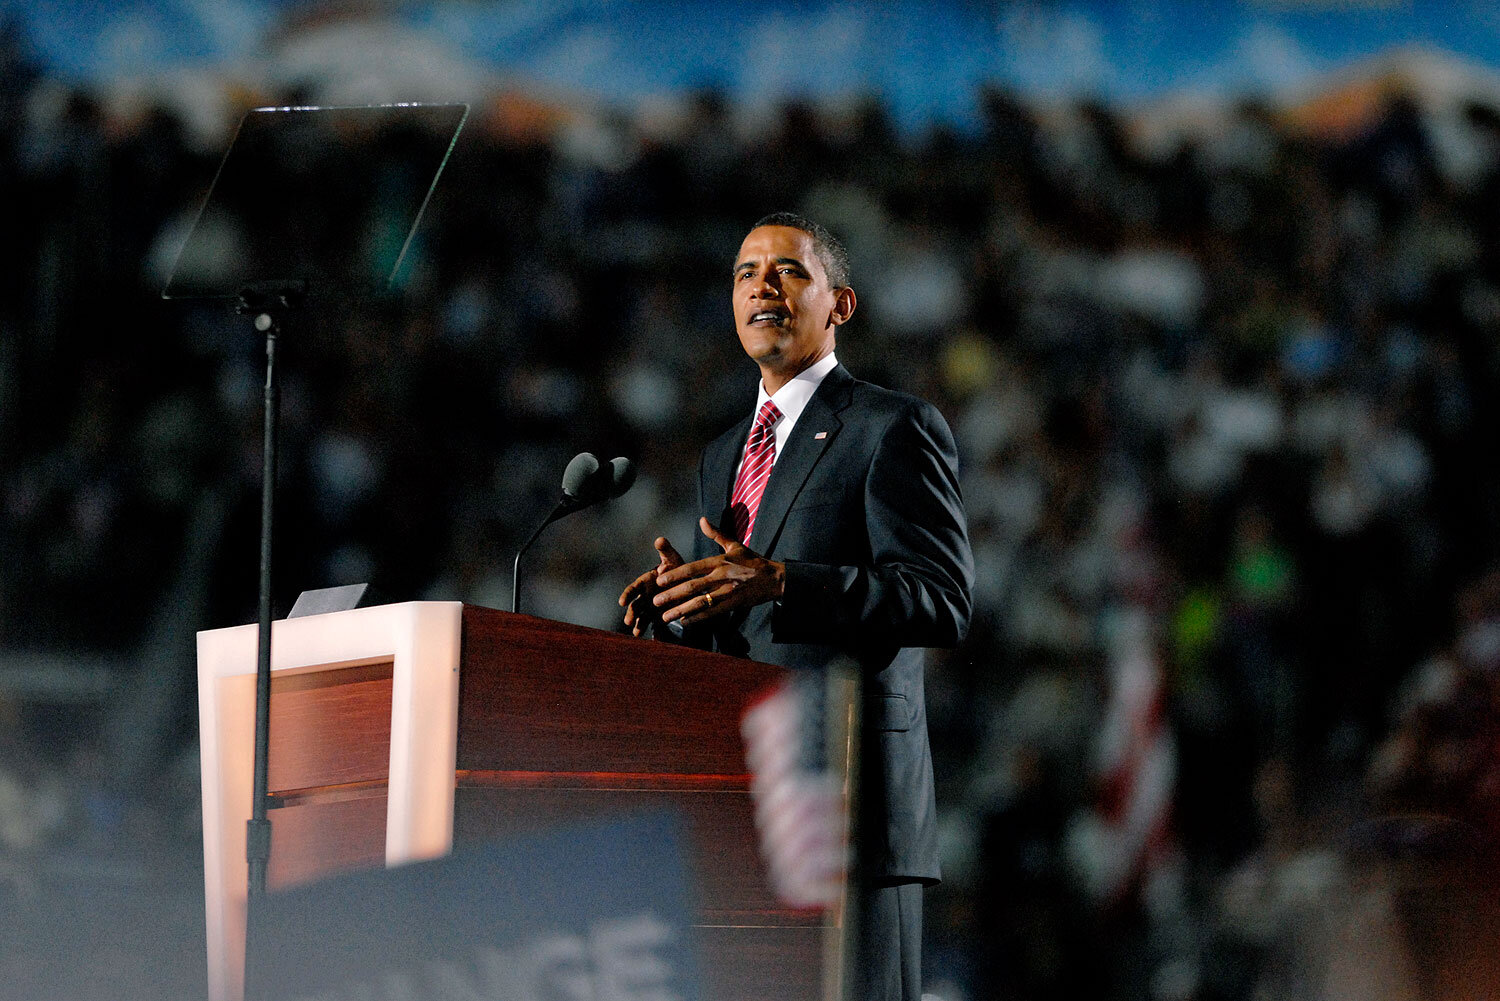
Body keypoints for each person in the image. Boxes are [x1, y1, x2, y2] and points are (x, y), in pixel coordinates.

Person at [618, 212, 974, 1001]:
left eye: (787, 271)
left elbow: (944, 599)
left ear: (839, 305)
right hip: (751, 806)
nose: (762, 287)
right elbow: (748, 623)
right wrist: (686, 611)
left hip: (853, 807)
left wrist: (782, 581)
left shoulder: (893, 427)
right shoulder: (723, 454)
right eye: (746, 273)